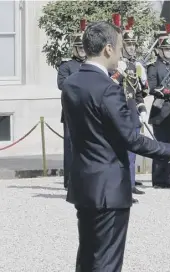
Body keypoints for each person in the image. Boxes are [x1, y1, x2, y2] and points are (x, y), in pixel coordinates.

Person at [61, 21, 170, 272]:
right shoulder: (107, 88)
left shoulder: (73, 82)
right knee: (105, 265)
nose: (119, 54)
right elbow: (129, 138)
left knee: (88, 262)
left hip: (86, 183)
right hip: (109, 185)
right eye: (118, 48)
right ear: (107, 49)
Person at [110, 14, 148, 201]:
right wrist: (119, 72)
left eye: (134, 44)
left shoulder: (134, 65)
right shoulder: (112, 65)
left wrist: (142, 109)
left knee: (132, 155)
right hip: (117, 115)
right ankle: (119, 188)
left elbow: (138, 92)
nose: (132, 47)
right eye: (128, 44)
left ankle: (130, 185)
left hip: (132, 114)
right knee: (119, 155)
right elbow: (107, 86)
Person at [147, 24, 170, 189]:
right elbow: (151, 88)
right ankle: (157, 179)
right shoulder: (154, 67)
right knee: (159, 147)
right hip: (159, 112)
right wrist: (164, 91)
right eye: (166, 49)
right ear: (160, 51)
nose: (169, 51)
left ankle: (166, 178)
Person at [57, 19, 86, 189]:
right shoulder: (67, 65)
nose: (83, 52)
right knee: (70, 147)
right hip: (71, 112)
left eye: (84, 48)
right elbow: (61, 84)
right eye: (80, 48)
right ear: (74, 48)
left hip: (88, 111)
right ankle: (69, 181)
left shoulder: (90, 64)